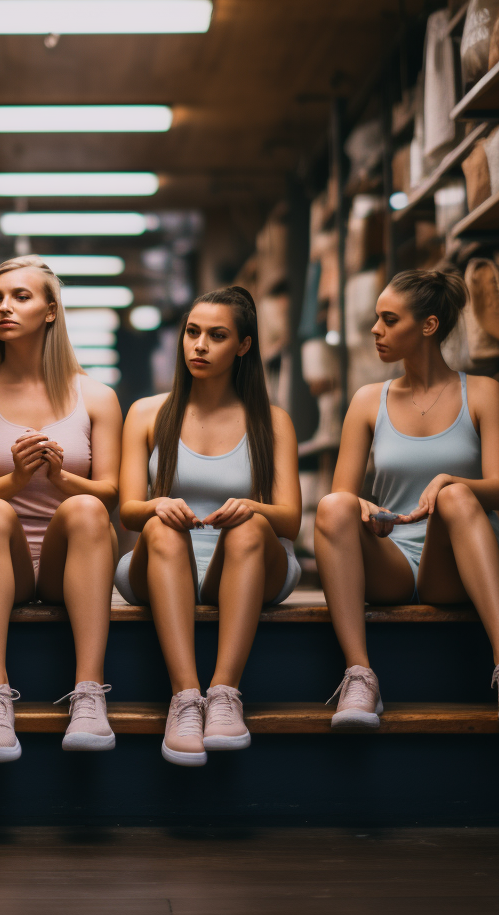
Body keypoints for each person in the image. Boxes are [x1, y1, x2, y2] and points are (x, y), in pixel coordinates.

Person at [315, 269, 499, 728]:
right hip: (394, 560)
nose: (375, 330)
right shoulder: (367, 400)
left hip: (462, 559)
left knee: (458, 496)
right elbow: (342, 492)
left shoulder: (482, 392)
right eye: (377, 319)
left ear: (428, 325)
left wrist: (446, 482)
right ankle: (360, 675)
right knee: (332, 505)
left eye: (388, 319)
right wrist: (364, 508)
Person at [0, 256, 123, 762]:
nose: (4, 307)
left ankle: (89, 692)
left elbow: (111, 492)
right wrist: (15, 480)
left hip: (72, 557)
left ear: (50, 310)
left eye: (20, 297)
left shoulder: (96, 395)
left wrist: (61, 476)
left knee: (88, 507)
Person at [117, 287, 302, 766]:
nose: (199, 345)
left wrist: (251, 509)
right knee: (158, 525)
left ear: (243, 346)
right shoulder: (146, 412)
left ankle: (224, 694)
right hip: (161, 561)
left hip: (243, 563)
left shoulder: (272, 421)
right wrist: (160, 504)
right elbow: (128, 509)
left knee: (249, 526)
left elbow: (290, 520)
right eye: (192, 333)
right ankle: (184, 698)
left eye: (216, 336)